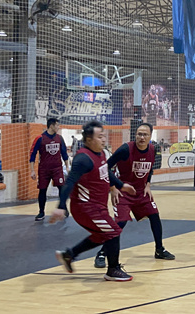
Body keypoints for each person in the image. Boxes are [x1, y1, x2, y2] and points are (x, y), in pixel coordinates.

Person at [50, 120, 136, 282]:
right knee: (113, 231)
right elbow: (69, 182)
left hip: (98, 207)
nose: (103, 139)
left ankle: (69, 255)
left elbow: (106, 171)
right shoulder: (83, 159)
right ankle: (113, 270)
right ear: (89, 140)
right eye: (100, 136)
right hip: (86, 209)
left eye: (104, 136)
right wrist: (61, 206)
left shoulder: (101, 153)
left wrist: (121, 185)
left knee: (101, 235)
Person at [93, 123, 175, 268]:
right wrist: (113, 187)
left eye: (145, 134)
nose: (142, 137)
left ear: (150, 136)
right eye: (139, 134)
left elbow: (150, 169)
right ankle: (102, 253)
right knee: (120, 223)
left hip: (140, 192)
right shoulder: (126, 149)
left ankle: (159, 249)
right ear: (135, 135)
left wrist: (148, 184)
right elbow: (105, 167)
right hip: (123, 191)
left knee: (154, 216)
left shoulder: (152, 149)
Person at [29, 118, 70, 221]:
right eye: (57, 125)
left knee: (62, 188)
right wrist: (32, 170)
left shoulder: (59, 138)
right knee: (42, 190)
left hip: (57, 168)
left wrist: (67, 166)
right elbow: (33, 154)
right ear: (51, 125)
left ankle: (63, 207)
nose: (58, 127)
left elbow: (64, 153)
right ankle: (41, 212)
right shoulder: (40, 138)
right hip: (44, 169)